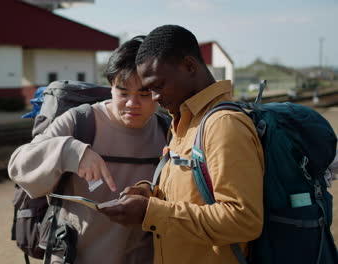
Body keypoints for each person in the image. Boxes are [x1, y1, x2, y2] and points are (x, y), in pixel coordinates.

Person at [100, 25, 265, 263]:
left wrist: (149, 212)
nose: (155, 97)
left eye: (158, 86)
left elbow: (242, 221)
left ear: (189, 66)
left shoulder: (223, 125)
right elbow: (190, 195)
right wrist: (149, 193)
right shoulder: (183, 120)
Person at [8, 36, 167, 264]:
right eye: (123, 93)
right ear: (111, 86)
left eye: (144, 94)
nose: (132, 103)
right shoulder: (81, 121)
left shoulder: (166, 130)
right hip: (75, 256)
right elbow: (18, 165)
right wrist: (71, 150)